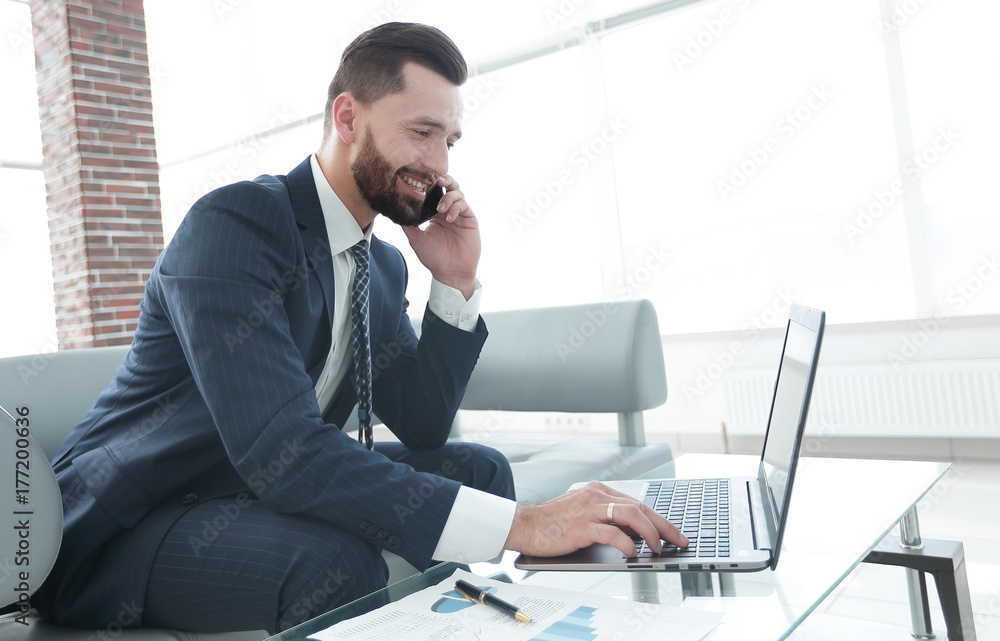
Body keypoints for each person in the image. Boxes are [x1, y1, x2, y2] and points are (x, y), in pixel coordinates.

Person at [36, 22, 687, 634]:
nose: (439, 163)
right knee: (333, 561)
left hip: (244, 491)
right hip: (130, 523)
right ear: (348, 117)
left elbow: (424, 423)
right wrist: (525, 525)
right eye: (422, 132)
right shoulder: (235, 226)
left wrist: (456, 282)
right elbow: (281, 452)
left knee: (480, 470)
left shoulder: (379, 265)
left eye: (449, 141)